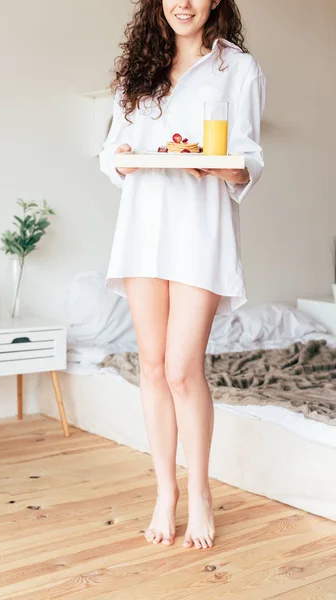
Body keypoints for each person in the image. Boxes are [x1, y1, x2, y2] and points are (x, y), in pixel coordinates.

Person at [99, 0, 267, 550]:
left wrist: (218, 163)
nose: (183, 3)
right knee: (150, 365)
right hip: (144, 227)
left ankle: (200, 493)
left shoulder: (237, 68)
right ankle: (164, 492)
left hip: (200, 230)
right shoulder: (138, 72)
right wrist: (121, 155)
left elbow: (247, 155)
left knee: (181, 369)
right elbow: (110, 154)